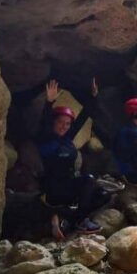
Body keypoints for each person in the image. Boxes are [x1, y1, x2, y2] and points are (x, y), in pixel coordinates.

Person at [35, 79, 104, 239]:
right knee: (89, 180)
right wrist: (49, 101)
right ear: (53, 122)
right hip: (54, 190)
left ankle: (63, 219)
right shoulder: (46, 138)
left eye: (67, 124)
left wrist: (93, 97)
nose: (64, 126)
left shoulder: (67, 138)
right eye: (60, 122)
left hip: (69, 187)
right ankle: (79, 221)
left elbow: (83, 117)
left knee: (102, 194)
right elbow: (44, 121)